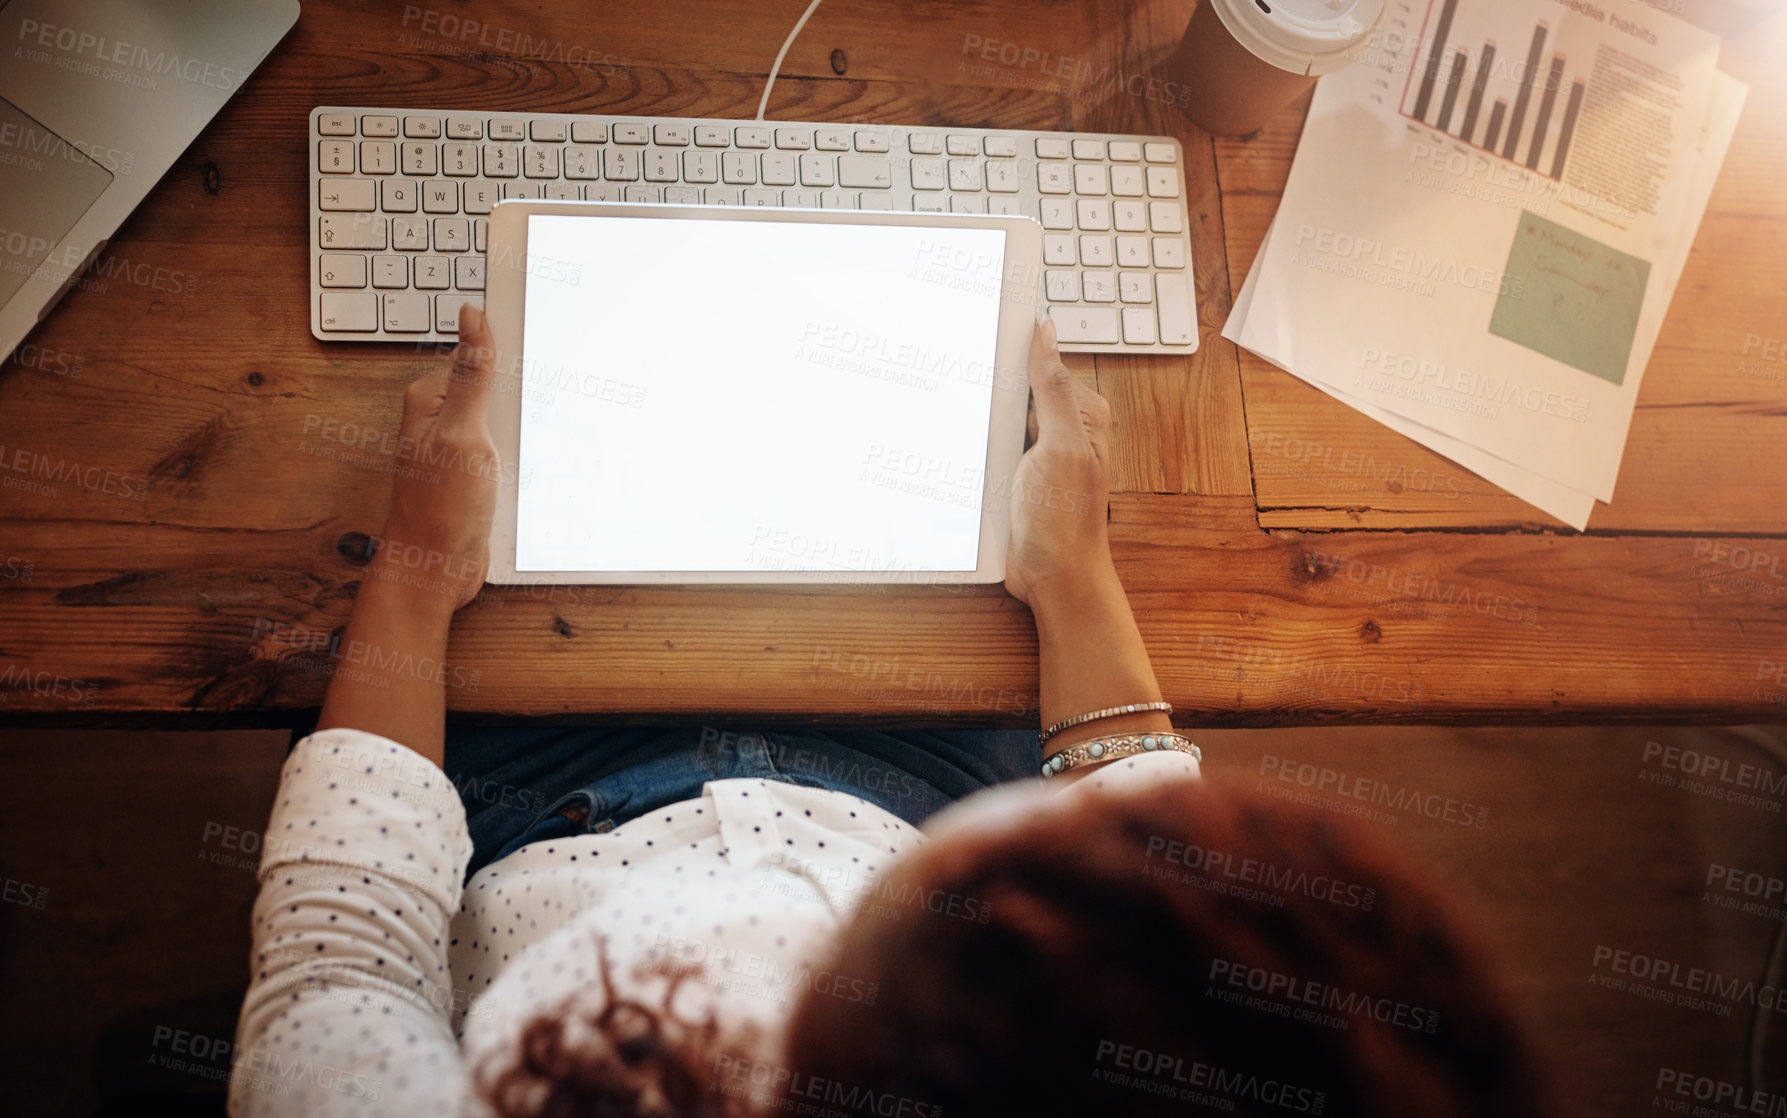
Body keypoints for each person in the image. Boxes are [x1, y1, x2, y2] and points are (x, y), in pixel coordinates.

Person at [228, 306, 1548, 1117]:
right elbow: (1162, 896)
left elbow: (340, 963)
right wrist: (1073, 576)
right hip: (928, 777)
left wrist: (416, 562)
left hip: (516, 792)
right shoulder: (1121, 1027)